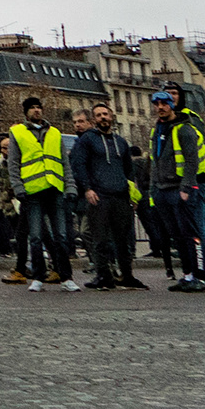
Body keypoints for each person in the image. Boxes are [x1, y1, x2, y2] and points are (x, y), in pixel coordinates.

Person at [149, 90, 205, 292]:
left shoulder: (184, 129)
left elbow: (192, 161)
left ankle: (200, 276)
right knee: (178, 235)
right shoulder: (156, 130)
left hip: (182, 188)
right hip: (163, 188)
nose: (160, 108)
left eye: (164, 103)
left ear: (171, 105)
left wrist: (186, 187)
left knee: (192, 233)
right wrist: (153, 189)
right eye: (156, 104)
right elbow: (154, 162)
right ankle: (187, 275)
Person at [67, 104, 140, 291]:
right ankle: (103, 275)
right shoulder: (87, 141)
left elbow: (128, 170)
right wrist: (87, 189)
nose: (103, 117)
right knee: (100, 239)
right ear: (94, 120)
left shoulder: (121, 142)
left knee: (122, 239)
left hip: (120, 195)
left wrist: (132, 193)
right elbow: (79, 166)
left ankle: (127, 275)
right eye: (98, 115)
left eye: (105, 114)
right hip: (99, 195)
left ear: (112, 116)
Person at [2, 102, 70, 288]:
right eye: (32, 107)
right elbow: (13, 164)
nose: (37, 110)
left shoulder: (55, 133)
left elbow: (64, 162)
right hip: (32, 191)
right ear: (26, 112)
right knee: (36, 237)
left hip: (54, 187)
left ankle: (66, 276)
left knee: (61, 236)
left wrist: (69, 186)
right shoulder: (18, 133)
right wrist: (18, 188)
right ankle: (38, 277)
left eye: (39, 107)